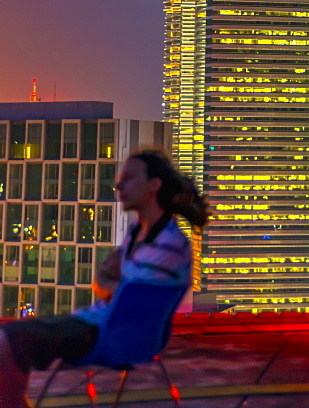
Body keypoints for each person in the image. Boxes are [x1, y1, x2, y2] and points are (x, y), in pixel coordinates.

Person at [0, 150, 208, 408]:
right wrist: (112, 285)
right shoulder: (137, 233)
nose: (119, 185)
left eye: (129, 178)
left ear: (154, 186)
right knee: (8, 339)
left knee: (6, 342)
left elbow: (128, 296)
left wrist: (111, 283)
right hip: (99, 323)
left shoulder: (169, 244)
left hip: (111, 334)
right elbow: (110, 284)